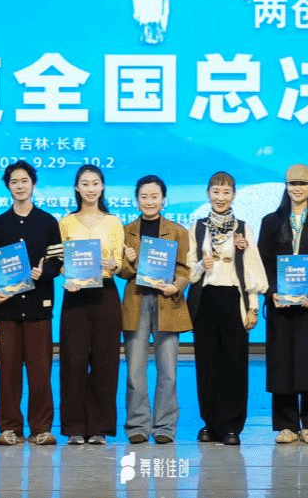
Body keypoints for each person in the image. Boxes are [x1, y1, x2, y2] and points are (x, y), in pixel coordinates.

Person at [259, 163, 308, 445]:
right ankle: (286, 425)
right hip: (281, 305)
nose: (297, 188)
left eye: (303, 184)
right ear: (286, 186)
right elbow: (263, 262)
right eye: (292, 183)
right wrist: (271, 293)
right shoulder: (271, 221)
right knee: (283, 363)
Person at [187, 171, 267, 446]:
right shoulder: (197, 227)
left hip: (234, 300)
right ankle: (210, 423)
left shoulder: (243, 228)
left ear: (234, 195)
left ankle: (231, 425)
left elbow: (252, 270)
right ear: (207, 193)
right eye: (215, 191)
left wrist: (252, 307)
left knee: (234, 363)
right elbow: (189, 270)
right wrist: (202, 265)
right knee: (207, 364)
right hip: (205, 300)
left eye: (226, 192)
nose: (220, 197)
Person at [0, 160, 63, 446]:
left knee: (40, 373)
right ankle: (10, 428)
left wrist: (43, 272)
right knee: (8, 373)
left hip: (38, 308)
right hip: (7, 310)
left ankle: (41, 428)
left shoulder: (48, 223)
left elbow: (57, 263)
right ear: (8, 187)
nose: (19, 186)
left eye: (24, 181)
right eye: (14, 182)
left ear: (34, 184)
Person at [118, 174, 193, 444]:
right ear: (136, 201)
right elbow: (120, 271)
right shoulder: (126, 231)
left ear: (164, 200)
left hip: (167, 302)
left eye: (154, 196)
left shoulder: (177, 231)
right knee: (135, 370)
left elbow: (185, 269)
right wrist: (129, 262)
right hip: (136, 300)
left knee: (168, 370)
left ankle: (164, 427)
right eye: (144, 197)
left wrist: (177, 286)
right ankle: (137, 425)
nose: (149, 201)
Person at [58, 164, 125, 445]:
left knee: (104, 361)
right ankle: (74, 426)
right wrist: (67, 275)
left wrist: (114, 263)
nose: (90, 188)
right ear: (77, 187)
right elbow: (61, 261)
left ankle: (100, 427)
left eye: (95, 183)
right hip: (75, 294)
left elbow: (119, 262)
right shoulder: (65, 223)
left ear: (102, 187)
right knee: (73, 360)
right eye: (85, 183)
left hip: (105, 294)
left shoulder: (113, 222)